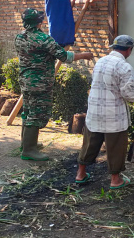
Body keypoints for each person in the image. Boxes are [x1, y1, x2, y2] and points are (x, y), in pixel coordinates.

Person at [75, 35, 134, 189]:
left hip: (95, 112)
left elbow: (108, 81)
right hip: (113, 116)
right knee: (116, 147)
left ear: (113, 47)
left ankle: (80, 174)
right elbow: (128, 94)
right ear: (129, 50)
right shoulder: (125, 67)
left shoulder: (101, 62)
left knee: (89, 144)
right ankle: (115, 180)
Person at [15, 8, 93, 161]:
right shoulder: (43, 39)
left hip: (26, 80)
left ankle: (26, 144)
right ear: (40, 21)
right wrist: (85, 55)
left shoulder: (19, 37)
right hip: (40, 82)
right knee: (37, 114)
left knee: (29, 111)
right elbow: (64, 56)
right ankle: (29, 150)